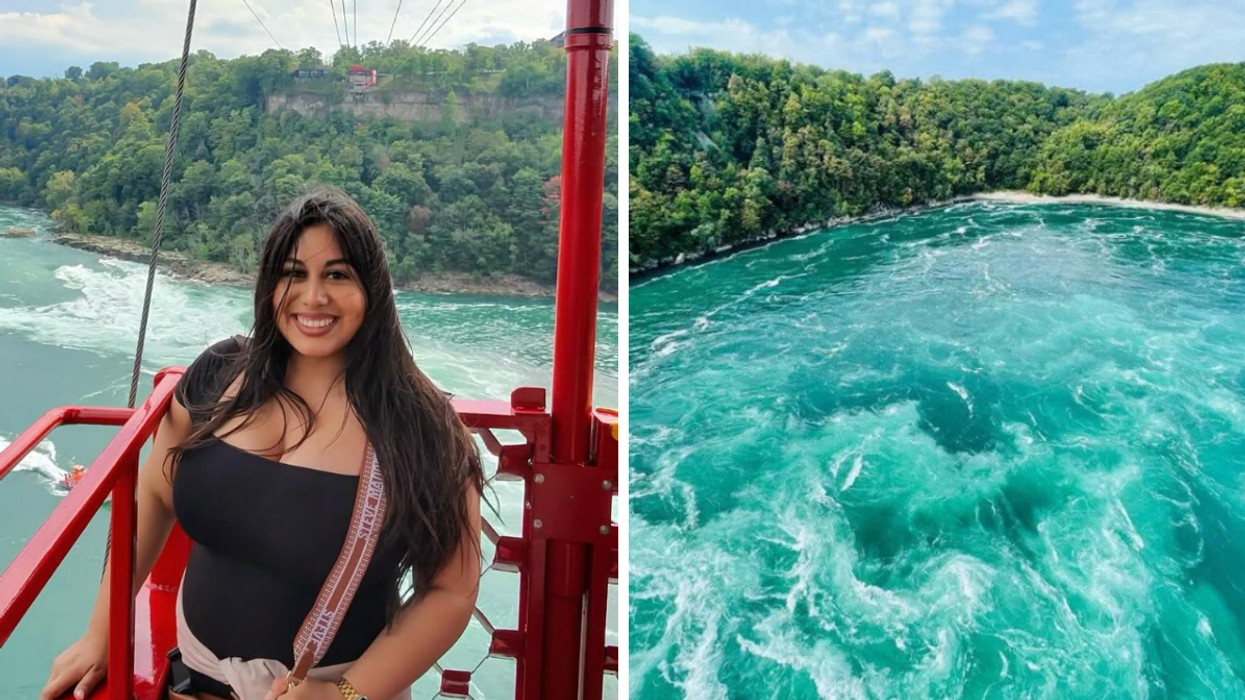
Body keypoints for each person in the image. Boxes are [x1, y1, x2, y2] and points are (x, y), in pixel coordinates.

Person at [39, 188, 484, 700]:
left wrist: (345, 694)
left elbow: (449, 591)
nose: (312, 297)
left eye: (336, 275)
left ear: (373, 290)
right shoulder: (217, 376)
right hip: (191, 678)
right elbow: (154, 497)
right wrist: (103, 631)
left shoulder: (419, 428)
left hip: (323, 687)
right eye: (293, 274)